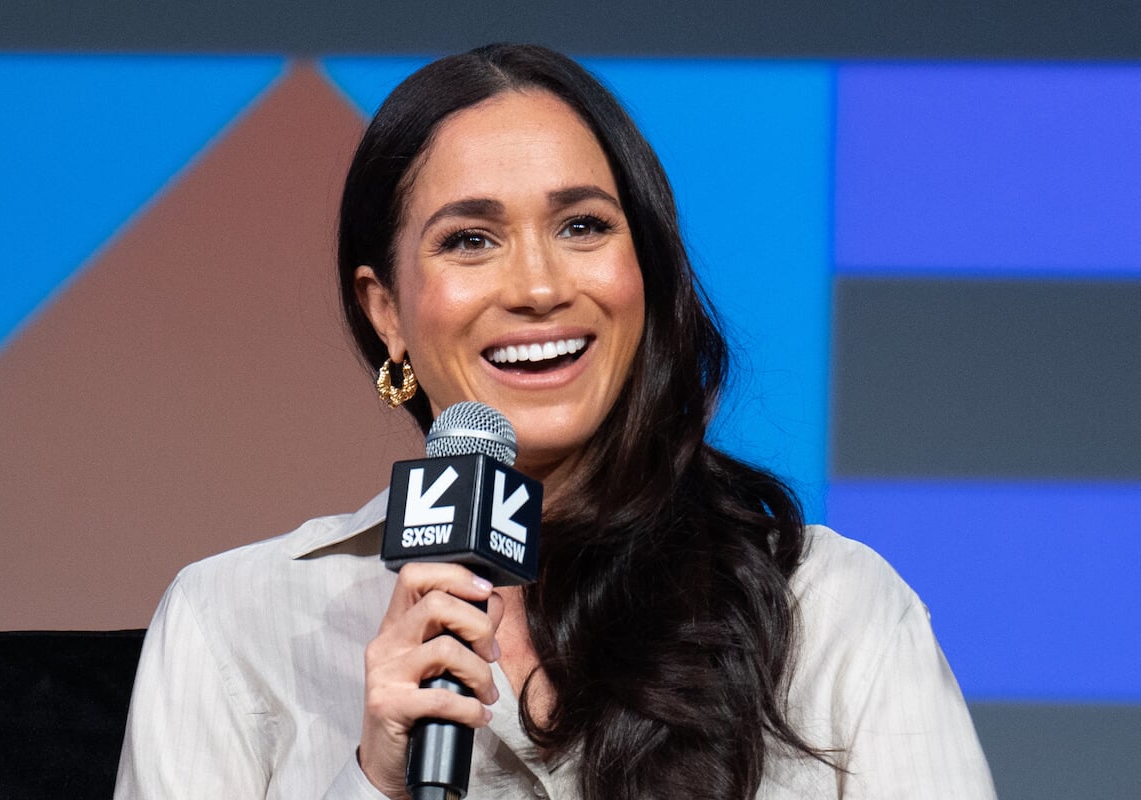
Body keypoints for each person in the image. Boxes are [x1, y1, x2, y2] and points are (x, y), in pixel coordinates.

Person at [115, 44, 997, 799]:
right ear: (386, 311)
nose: (539, 288)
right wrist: (378, 781)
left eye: (583, 226)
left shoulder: (834, 612)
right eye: (470, 239)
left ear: (643, 277)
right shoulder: (231, 627)